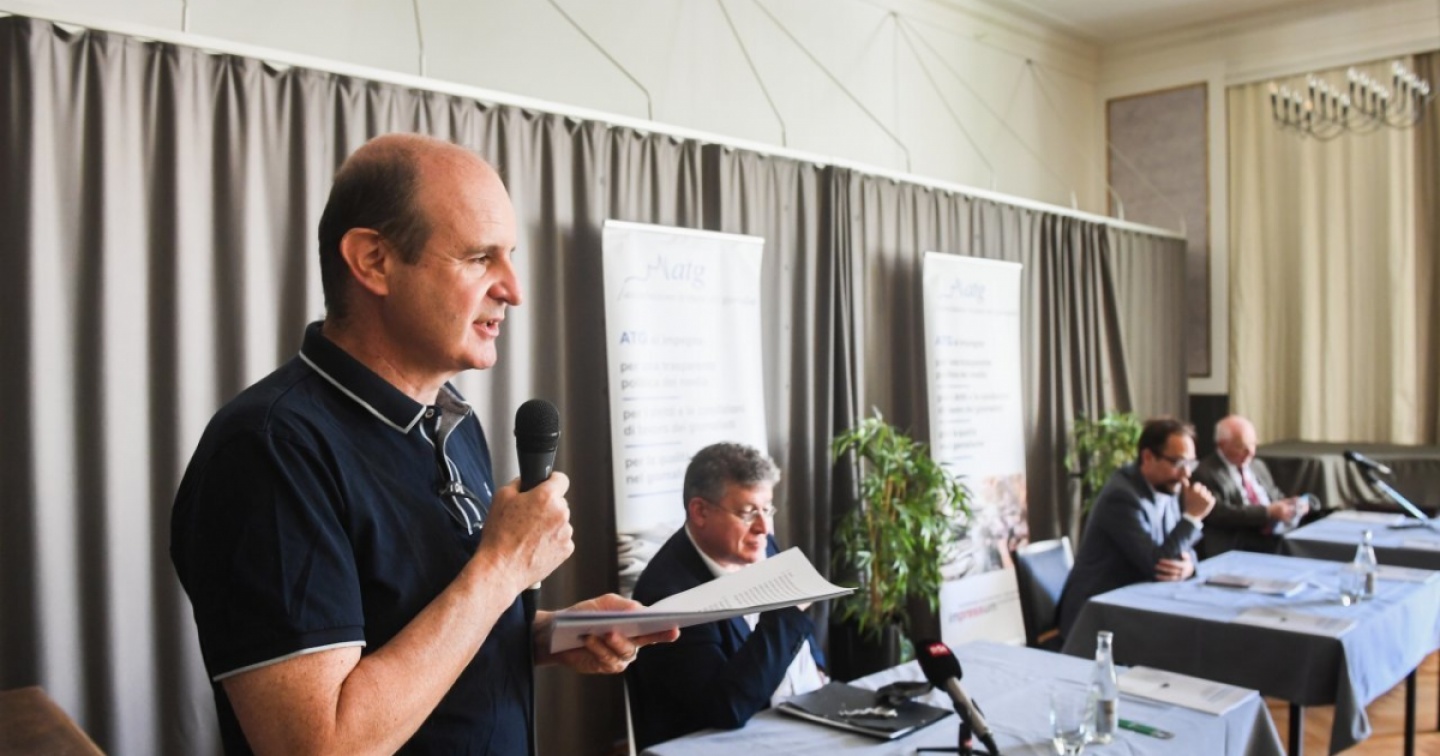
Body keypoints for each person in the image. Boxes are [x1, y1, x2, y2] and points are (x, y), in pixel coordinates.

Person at [170, 133, 676, 755]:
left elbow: (416, 628)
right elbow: (320, 745)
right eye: (479, 258)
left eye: (510, 257)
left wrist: (553, 633)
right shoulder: (269, 450)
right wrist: (502, 569)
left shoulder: (452, 422)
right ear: (374, 261)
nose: (513, 290)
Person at [626, 442, 826, 749]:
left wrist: (819, 670)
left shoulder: (760, 546)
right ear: (700, 511)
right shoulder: (668, 596)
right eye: (748, 512)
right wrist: (787, 610)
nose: (763, 527)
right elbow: (725, 709)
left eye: (767, 509)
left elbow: (799, 641)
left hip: (803, 718)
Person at [1057, 417, 1216, 639]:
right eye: (1178, 463)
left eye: (1190, 463)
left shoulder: (1168, 487)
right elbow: (1157, 565)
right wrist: (1193, 517)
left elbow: (1181, 548)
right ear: (1148, 457)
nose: (1186, 474)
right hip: (1097, 615)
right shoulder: (1121, 497)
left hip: (1137, 601)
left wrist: (1189, 566)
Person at [1191, 414, 1310, 556]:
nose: (1251, 452)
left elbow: (1275, 495)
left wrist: (1290, 504)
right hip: (1238, 540)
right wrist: (1267, 512)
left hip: (1273, 533)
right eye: (1242, 447)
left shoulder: (1258, 465)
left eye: (1253, 444)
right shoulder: (1205, 473)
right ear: (1222, 445)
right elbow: (1221, 514)